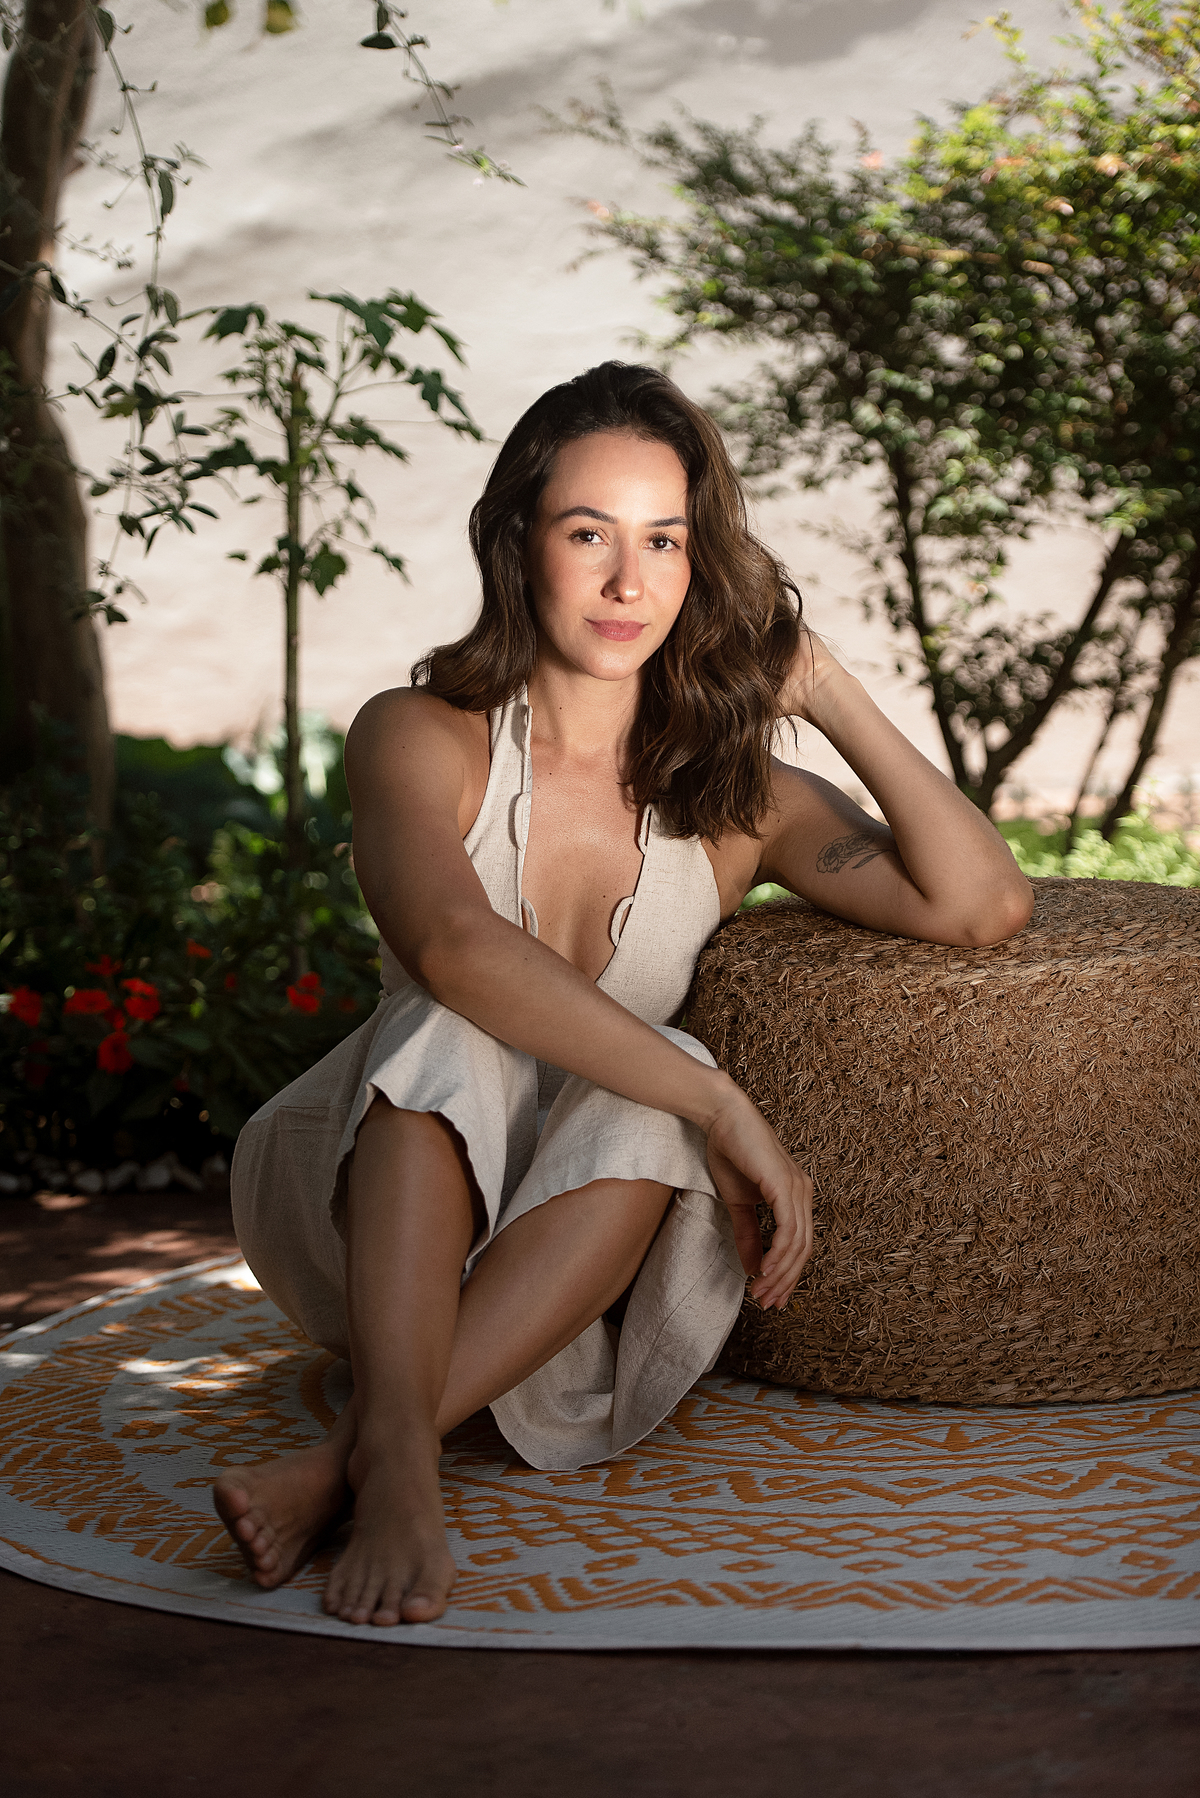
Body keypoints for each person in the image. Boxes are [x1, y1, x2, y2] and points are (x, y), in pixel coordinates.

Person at [213, 361, 1033, 1628]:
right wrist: (724, 1104)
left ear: (701, 565)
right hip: (371, 1200)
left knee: (651, 1095)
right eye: (588, 533)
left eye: (665, 540)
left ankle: (352, 1461)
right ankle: (406, 1480)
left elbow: (982, 905)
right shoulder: (421, 733)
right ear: (517, 542)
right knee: (460, 1025)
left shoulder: (734, 798)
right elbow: (454, 946)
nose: (627, 583)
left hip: (568, 1253)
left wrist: (820, 682)